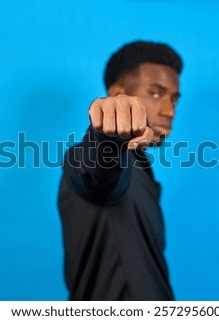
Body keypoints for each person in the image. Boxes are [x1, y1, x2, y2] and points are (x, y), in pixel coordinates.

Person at [58, 40, 183, 300]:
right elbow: (95, 169)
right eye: (156, 93)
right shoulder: (87, 159)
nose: (169, 110)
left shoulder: (141, 169)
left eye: (174, 99)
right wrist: (105, 133)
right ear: (117, 96)